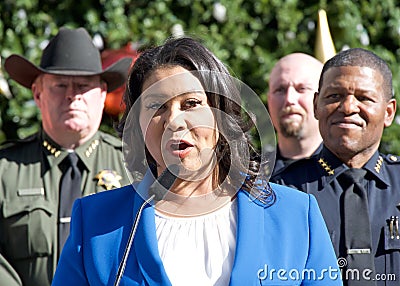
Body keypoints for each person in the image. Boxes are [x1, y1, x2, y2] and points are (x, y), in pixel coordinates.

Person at [52, 37, 341, 286]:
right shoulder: (94, 222)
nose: (174, 121)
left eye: (191, 103)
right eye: (156, 106)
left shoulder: (295, 215)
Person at [0, 27, 132, 286]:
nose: (73, 96)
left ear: (103, 93)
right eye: (61, 85)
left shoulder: (132, 167)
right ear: (38, 93)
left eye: (83, 86)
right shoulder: (5, 170)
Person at [271, 48, 399, 285]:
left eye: (364, 97)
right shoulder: (279, 192)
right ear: (316, 105)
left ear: (389, 112)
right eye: (334, 96)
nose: (348, 107)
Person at [267, 53, 323, 175]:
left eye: (302, 89)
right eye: (280, 90)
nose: (289, 99)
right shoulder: (250, 178)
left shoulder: (348, 174)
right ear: (269, 99)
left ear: (323, 97)